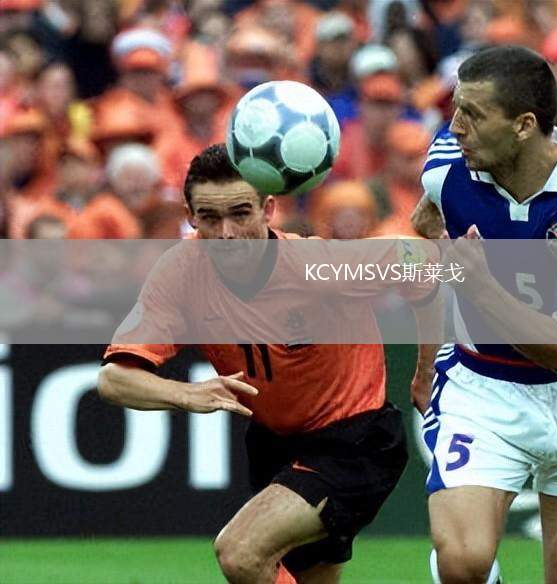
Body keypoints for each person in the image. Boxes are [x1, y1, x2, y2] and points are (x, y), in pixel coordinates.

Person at [97, 143, 440, 584]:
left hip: (355, 442)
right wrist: (186, 394)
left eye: (240, 213)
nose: (226, 234)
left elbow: (424, 265)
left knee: (240, 552)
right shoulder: (180, 273)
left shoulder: (316, 266)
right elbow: (113, 380)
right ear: (190, 217)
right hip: (275, 447)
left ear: (269, 209)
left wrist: (426, 370)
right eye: (209, 217)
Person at [410, 46, 557, 584]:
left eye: (473, 114)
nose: (455, 126)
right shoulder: (446, 168)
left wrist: (483, 286)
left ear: (523, 125)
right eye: (455, 109)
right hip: (484, 386)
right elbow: (426, 227)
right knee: (462, 564)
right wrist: (426, 361)